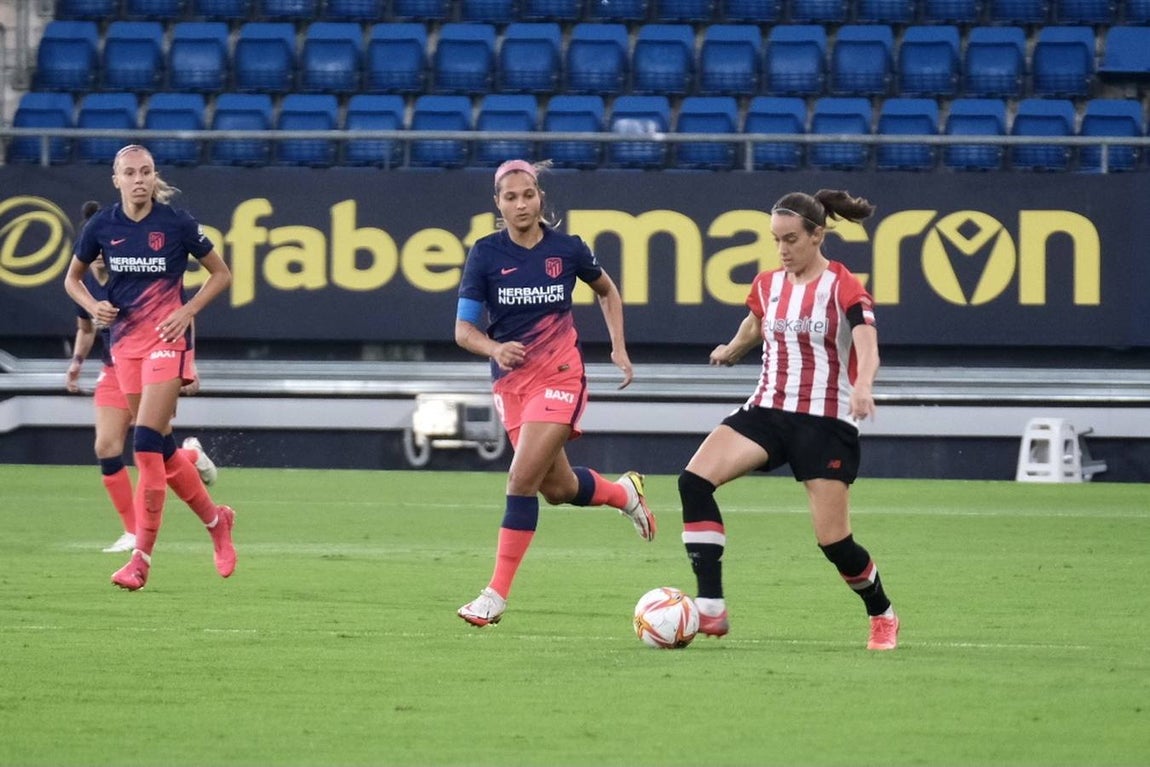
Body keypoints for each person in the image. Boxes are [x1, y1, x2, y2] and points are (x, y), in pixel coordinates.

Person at [678, 189, 900, 651]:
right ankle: (712, 606)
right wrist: (732, 349)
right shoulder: (767, 283)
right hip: (768, 409)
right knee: (693, 481)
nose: (782, 250)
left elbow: (867, 342)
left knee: (835, 544)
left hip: (825, 420)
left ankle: (881, 613)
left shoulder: (844, 286)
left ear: (818, 236)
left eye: (791, 239)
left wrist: (863, 386)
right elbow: (757, 323)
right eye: (776, 240)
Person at [454, 159, 657, 627]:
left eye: (528, 194)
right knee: (557, 488)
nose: (521, 204)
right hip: (512, 383)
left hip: (562, 375)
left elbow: (607, 292)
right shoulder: (485, 254)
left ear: (541, 197)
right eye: (511, 197)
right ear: (497, 204)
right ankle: (623, 493)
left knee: (519, 481)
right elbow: (464, 331)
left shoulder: (568, 249)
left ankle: (495, 595)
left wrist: (619, 347)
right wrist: (494, 347)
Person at [64, 145, 236, 591]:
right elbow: (72, 278)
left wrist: (187, 310)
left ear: (154, 176)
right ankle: (217, 521)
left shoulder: (176, 223)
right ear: (115, 180)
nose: (138, 179)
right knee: (161, 449)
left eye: (145, 172)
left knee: (142, 444)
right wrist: (93, 305)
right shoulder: (102, 226)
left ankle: (140, 559)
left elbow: (221, 274)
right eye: (129, 173)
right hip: (125, 348)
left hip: (165, 344)